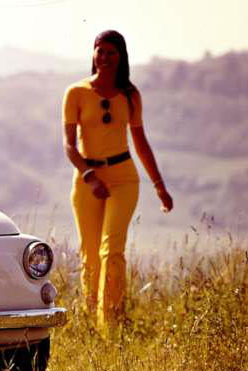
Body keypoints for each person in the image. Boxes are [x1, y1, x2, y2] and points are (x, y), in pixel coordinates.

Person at [63, 30, 174, 332]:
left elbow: (140, 143)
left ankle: (110, 326)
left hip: (124, 177)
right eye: (100, 51)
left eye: (112, 52)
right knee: (90, 254)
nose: (105, 57)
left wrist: (159, 186)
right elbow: (70, 146)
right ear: (93, 54)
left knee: (111, 250)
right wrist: (89, 175)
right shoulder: (75, 93)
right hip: (87, 180)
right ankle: (90, 323)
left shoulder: (130, 95)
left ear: (122, 57)